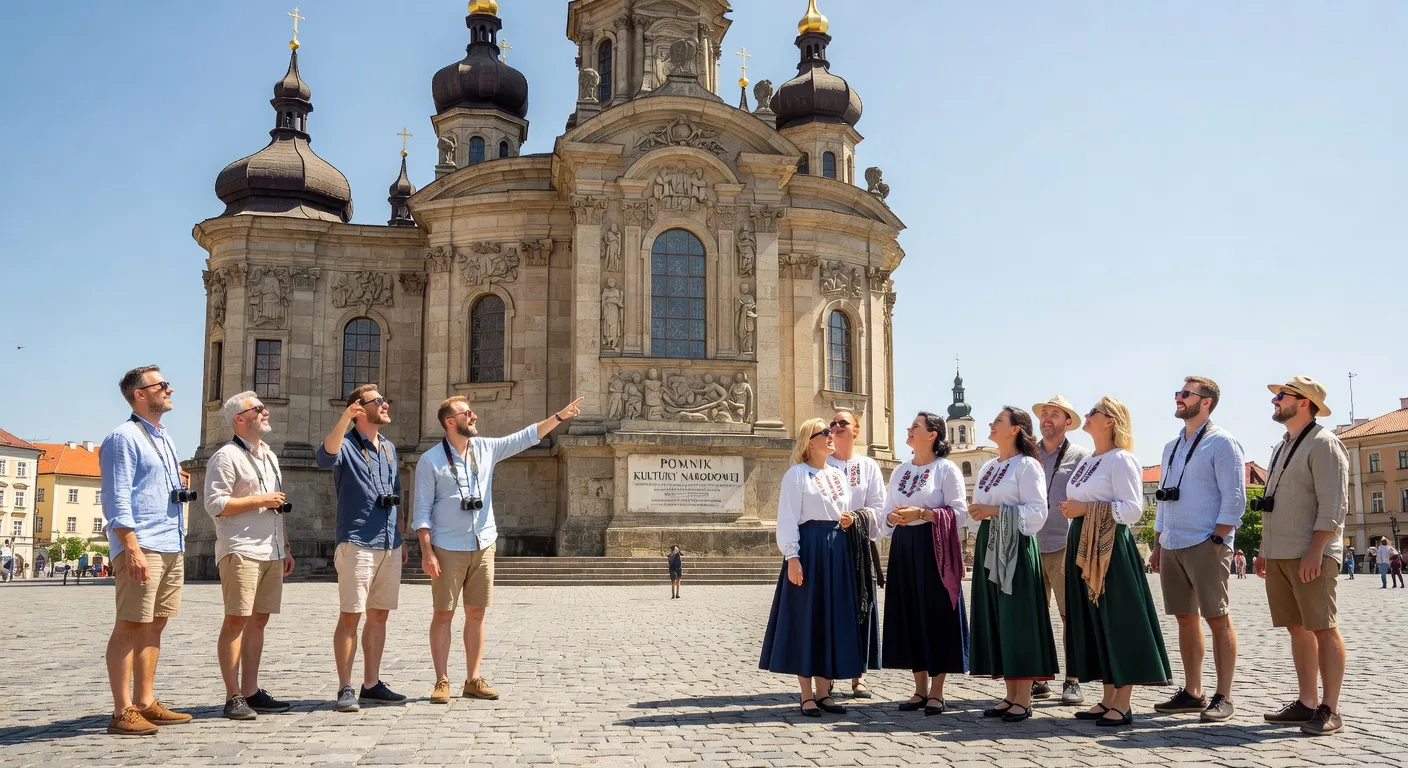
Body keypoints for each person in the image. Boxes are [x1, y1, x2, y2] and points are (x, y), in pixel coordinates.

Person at [413, 394, 582, 704]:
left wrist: (559, 417)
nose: (474, 417)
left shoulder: (485, 449)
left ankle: (473, 678)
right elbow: (421, 511)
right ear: (451, 422)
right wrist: (427, 552)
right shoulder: (431, 460)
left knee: (476, 613)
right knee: (443, 614)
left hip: (483, 542)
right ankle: (441, 680)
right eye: (467, 414)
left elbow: (525, 437)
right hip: (447, 545)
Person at [1062, 397, 1172, 728]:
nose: (1086, 415)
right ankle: (1108, 697)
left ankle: (1122, 703)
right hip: (1082, 541)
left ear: (1109, 421)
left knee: (1117, 619)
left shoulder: (1121, 459)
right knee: (1094, 619)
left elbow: (1132, 509)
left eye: (1093, 412)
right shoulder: (1088, 460)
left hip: (1110, 547)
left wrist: (1087, 510)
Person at [100, 365, 195, 736]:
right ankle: (122, 711)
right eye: (162, 385)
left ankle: (145, 701)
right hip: (143, 544)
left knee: (156, 623)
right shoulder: (123, 437)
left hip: (171, 541)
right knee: (130, 623)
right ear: (140, 394)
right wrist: (131, 548)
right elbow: (116, 498)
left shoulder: (164, 437)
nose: (170, 388)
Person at [759, 418, 878, 717]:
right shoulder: (796, 474)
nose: (830, 435)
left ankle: (825, 692)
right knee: (807, 617)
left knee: (832, 618)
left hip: (838, 550)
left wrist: (850, 520)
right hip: (809, 549)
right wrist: (792, 556)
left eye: (831, 432)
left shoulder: (838, 475)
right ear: (809, 441)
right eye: (824, 432)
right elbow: (787, 517)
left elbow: (842, 510)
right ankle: (806, 694)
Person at [1148, 377, 1245, 723]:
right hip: (1172, 542)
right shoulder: (1172, 446)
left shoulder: (1222, 443)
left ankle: (1223, 696)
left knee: (1217, 619)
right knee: (1185, 619)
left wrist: (1218, 540)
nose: (1178, 398)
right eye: (1178, 392)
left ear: (1205, 402)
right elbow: (1163, 496)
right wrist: (1159, 541)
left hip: (1206, 542)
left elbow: (1235, 498)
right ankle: (1193, 692)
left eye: (1185, 394)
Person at [1256, 376, 1349, 736]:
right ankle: (1307, 702)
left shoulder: (1325, 443)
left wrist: (1316, 551)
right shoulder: (1283, 445)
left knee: (1324, 628)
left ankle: (1330, 709)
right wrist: (1265, 550)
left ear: (1305, 402)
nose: (1275, 401)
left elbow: (1333, 506)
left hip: (1311, 553)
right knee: (1297, 629)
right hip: (1280, 553)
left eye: (1281, 396)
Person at [204, 391, 296, 720]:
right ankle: (233, 696)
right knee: (236, 621)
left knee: (259, 621)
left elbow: (277, 504)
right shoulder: (226, 457)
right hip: (240, 550)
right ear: (239, 419)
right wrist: (261, 500)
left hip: (269, 549)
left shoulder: (268, 455)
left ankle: (252, 690)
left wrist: (284, 546)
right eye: (258, 409)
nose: (265, 412)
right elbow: (215, 505)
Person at [966, 407, 1060, 723]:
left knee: (1017, 617)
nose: (991, 424)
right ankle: (1009, 695)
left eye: (998, 421)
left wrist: (993, 512)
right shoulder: (990, 466)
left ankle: (1023, 697)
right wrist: (980, 514)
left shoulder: (1028, 466)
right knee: (999, 617)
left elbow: (1036, 513)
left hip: (1016, 547)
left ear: (1016, 430)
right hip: (989, 544)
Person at [318, 384, 407, 712]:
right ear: (358, 408)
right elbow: (324, 456)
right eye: (379, 401)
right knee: (351, 616)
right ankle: (345, 687)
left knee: (379, 615)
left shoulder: (389, 448)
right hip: (357, 541)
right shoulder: (345, 445)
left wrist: (401, 538)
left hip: (388, 542)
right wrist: (345, 420)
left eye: (385, 399)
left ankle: (371, 683)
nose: (386, 404)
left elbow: (397, 493)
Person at [880, 412, 968, 716]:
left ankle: (937, 691)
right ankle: (918, 688)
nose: (908, 428)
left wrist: (922, 513)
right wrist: (892, 517)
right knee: (910, 613)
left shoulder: (946, 469)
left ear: (932, 434)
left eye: (915, 426)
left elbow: (960, 513)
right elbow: (887, 510)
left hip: (935, 547)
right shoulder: (901, 470)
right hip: (904, 546)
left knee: (937, 613)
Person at [1030, 395, 1092, 705]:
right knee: (1035, 615)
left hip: (1065, 545)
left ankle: (1073, 679)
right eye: (1044, 413)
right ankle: (1040, 677)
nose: (1047, 418)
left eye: (1055, 414)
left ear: (1068, 422)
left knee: (1071, 616)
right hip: (1029, 544)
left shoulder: (1081, 456)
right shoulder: (1027, 453)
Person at [826, 408, 886, 699]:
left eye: (842, 423)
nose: (836, 427)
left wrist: (858, 519)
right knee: (829, 610)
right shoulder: (821, 463)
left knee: (860, 611)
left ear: (856, 430)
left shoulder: (869, 466)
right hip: (827, 545)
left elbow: (879, 508)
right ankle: (827, 672)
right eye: (833, 423)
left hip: (858, 547)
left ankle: (858, 675)